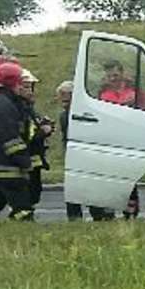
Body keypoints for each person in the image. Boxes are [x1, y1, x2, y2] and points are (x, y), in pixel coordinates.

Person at [0, 61, 35, 222]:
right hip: (8, 167)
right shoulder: (5, 105)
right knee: (22, 206)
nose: (21, 87)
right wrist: (24, 160)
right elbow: (10, 138)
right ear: (12, 84)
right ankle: (27, 228)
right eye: (19, 83)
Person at [97, 62, 142, 218]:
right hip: (110, 140)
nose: (112, 79)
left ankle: (130, 214)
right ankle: (109, 213)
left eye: (115, 75)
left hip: (130, 140)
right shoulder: (102, 94)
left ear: (122, 74)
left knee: (130, 181)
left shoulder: (134, 91)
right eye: (109, 76)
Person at [17, 69, 55, 208]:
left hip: (34, 159)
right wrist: (43, 131)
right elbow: (26, 136)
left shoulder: (29, 108)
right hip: (25, 158)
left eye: (31, 87)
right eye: (26, 87)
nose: (31, 91)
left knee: (34, 192)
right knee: (27, 193)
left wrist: (45, 125)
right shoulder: (19, 108)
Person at [56, 81, 85, 221]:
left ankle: (97, 215)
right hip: (73, 155)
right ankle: (75, 217)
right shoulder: (65, 115)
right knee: (73, 190)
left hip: (81, 155)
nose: (63, 101)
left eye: (66, 98)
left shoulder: (74, 114)